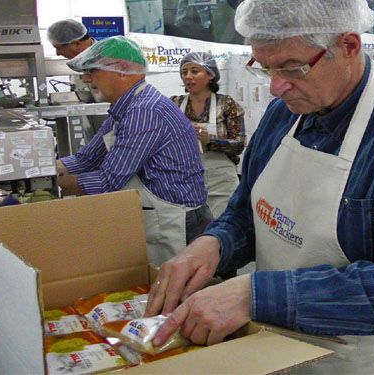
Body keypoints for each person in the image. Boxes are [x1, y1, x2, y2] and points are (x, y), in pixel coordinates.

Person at [144, 0, 374, 373]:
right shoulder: (284, 113)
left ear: (349, 46)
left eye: (291, 67)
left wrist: (253, 296)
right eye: (265, 67)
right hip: (283, 347)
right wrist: (214, 245)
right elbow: (247, 211)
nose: (275, 87)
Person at [56, 36, 213, 266]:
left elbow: (108, 180)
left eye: (92, 71)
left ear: (122, 71)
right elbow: (87, 158)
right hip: (163, 217)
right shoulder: (126, 107)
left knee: (174, 294)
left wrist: (54, 186)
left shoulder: (145, 110)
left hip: (179, 222)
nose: (87, 79)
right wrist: (49, 170)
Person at [170, 52, 246, 218]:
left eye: (195, 71)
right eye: (184, 72)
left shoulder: (226, 104)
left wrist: (210, 141)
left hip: (221, 184)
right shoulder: (174, 104)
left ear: (210, 74)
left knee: (223, 228)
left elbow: (239, 144)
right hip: (187, 182)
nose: (188, 77)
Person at [47, 19, 96, 103]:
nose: (57, 53)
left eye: (59, 48)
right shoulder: (76, 61)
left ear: (77, 44)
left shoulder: (107, 58)